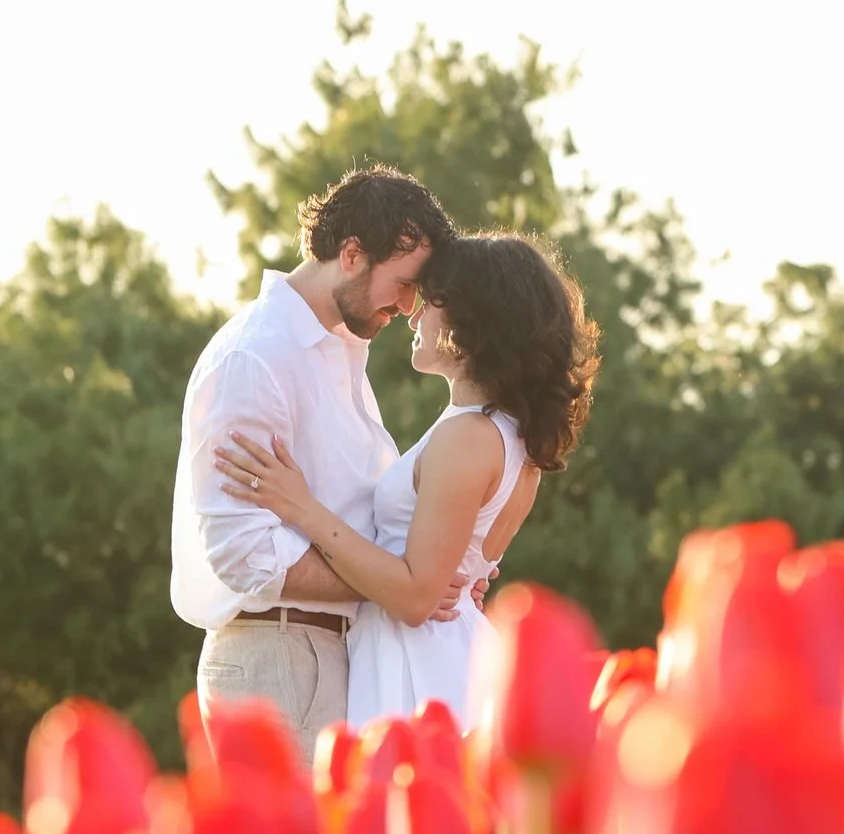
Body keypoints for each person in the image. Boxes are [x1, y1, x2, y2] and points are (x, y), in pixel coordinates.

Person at [210, 230, 600, 731]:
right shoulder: (509, 438)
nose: (412, 314)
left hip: (416, 664)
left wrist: (301, 507)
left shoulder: (470, 436)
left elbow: (417, 597)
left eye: (430, 301)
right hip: (434, 649)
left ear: (472, 320)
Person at [169, 166, 460, 760]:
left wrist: (430, 570)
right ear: (352, 255)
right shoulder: (257, 357)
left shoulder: (338, 352)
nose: (409, 307)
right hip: (277, 657)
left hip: (315, 652)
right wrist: (395, 585)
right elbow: (243, 553)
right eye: (404, 283)